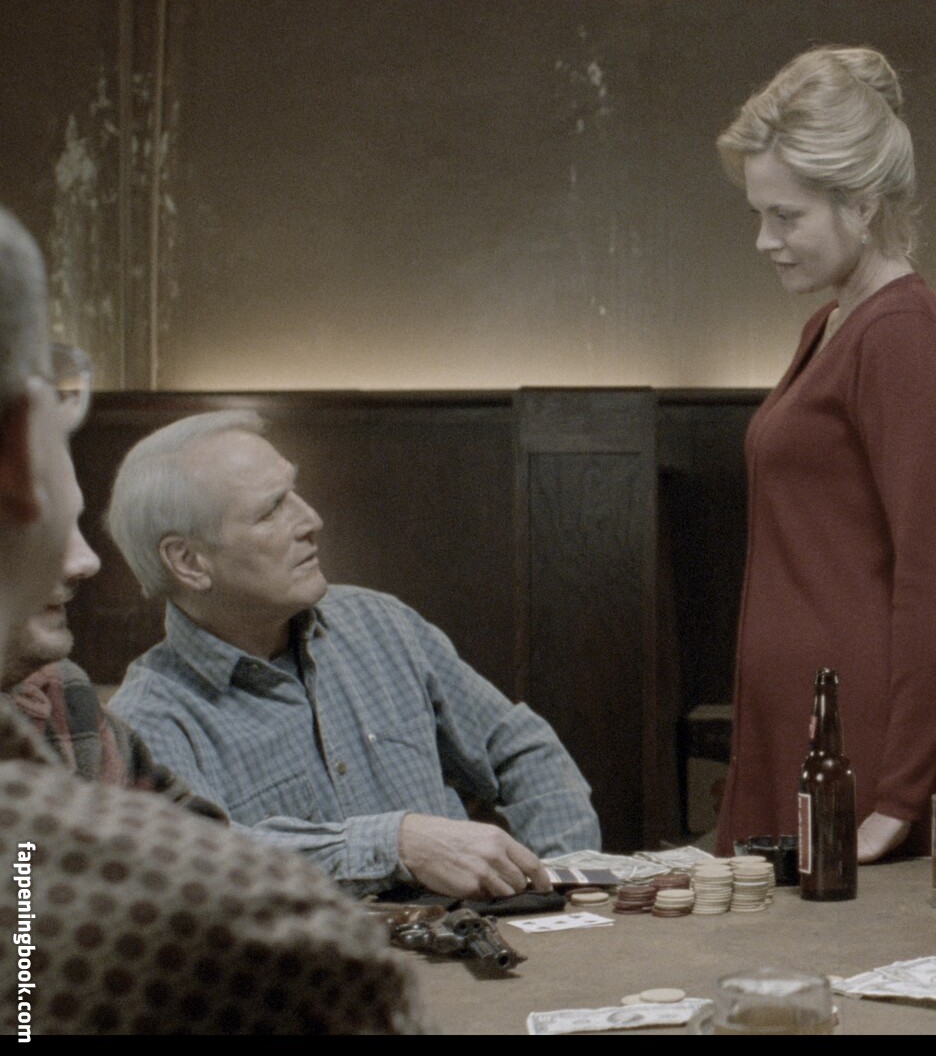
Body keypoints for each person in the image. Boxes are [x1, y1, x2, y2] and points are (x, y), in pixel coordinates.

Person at [0, 206, 422, 1032]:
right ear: (19, 446)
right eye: (62, 402)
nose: (84, 565)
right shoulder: (267, 945)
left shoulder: (68, 701)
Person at [107, 411, 600, 901]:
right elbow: (198, 865)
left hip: (484, 940)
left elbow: (520, 749)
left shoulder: (379, 622)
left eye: (294, 492)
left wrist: (559, 885)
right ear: (188, 562)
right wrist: (397, 844)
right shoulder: (148, 721)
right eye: (271, 510)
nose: (311, 521)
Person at [711, 46, 936, 863]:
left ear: (861, 206)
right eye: (759, 214)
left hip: (854, 732)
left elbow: (934, 578)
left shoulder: (901, 335)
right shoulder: (832, 323)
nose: (764, 240)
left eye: (785, 216)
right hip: (795, 713)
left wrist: (897, 798)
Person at [4, 522, 223, 820]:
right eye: (32, 527)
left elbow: (191, 827)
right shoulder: (156, 706)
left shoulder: (62, 691)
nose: (86, 562)